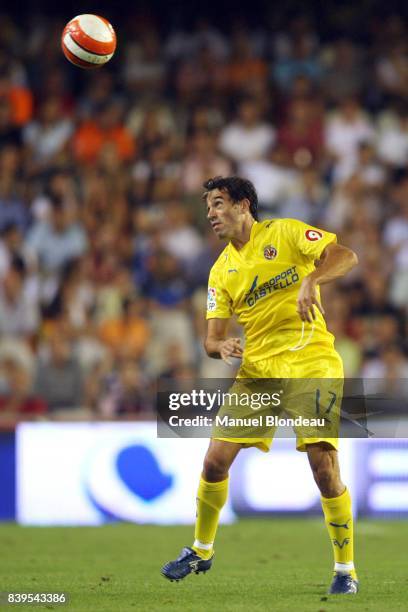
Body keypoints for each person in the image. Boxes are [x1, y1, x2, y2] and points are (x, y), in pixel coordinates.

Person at [161, 176, 359, 595]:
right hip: (258, 372)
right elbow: (211, 339)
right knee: (215, 461)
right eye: (207, 208)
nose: (211, 214)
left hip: (311, 361)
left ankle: (345, 569)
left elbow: (346, 255)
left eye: (217, 204)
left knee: (324, 469)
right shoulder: (221, 270)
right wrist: (220, 345)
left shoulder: (285, 233)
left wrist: (313, 279)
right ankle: (201, 548)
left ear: (244, 204)